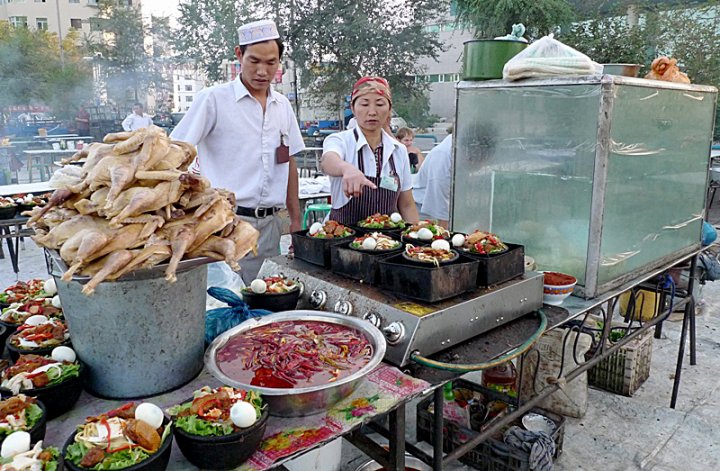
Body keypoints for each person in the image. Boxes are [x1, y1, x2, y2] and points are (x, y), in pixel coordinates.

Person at [171, 19, 304, 284]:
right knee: (226, 299)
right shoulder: (214, 100)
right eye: (254, 61)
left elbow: (288, 161)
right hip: (224, 224)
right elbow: (177, 154)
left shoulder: (282, 107)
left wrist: (295, 220)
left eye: (271, 63)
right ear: (239, 55)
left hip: (271, 226)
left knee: (266, 296)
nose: (262, 71)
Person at [321, 76, 419, 225]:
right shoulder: (340, 140)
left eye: (380, 104)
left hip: (386, 243)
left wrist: (416, 236)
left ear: (389, 109)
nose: (372, 112)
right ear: (353, 108)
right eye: (364, 104)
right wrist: (346, 169)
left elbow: (406, 204)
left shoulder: (398, 150)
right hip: (343, 239)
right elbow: (328, 160)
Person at [413, 133, 453, 228]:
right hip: (425, 208)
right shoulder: (443, 155)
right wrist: (443, 236)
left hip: (447, 208)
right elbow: (439, 198)